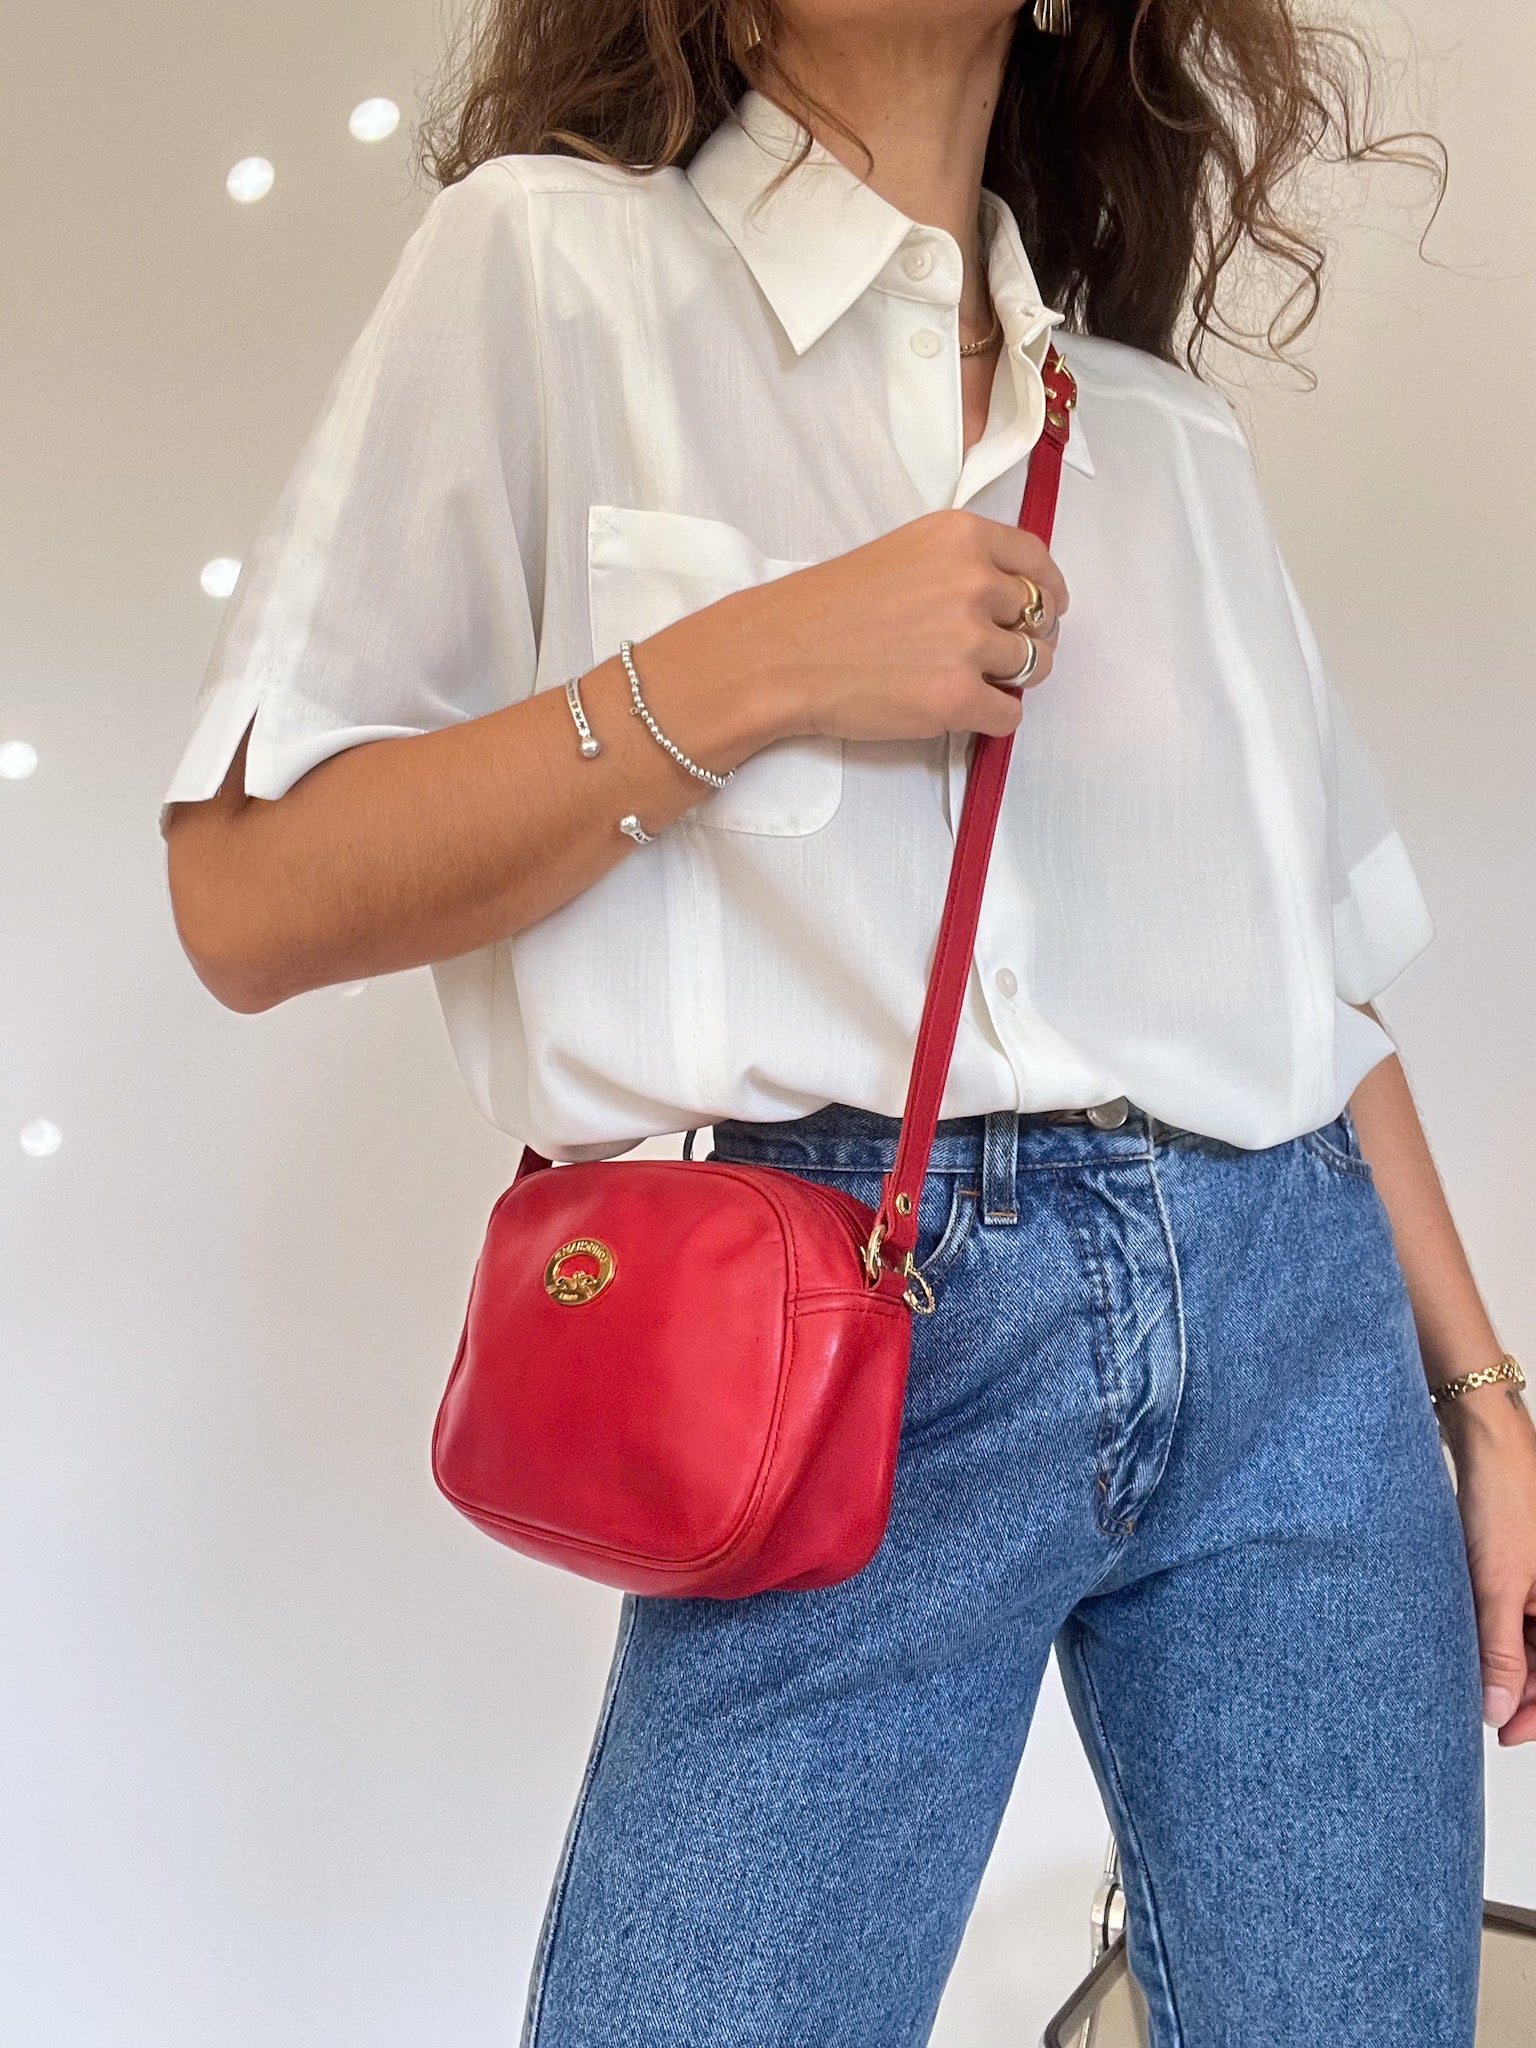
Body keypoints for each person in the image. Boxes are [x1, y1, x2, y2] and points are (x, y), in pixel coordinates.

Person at [158, 2, 1536, 2042]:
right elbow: (248, 893)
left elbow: (1316, 979)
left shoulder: (1155, 429)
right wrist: (764, 661)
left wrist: (1483, 1399)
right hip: (852, 1326)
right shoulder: (552, 268)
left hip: (1295, 1334)